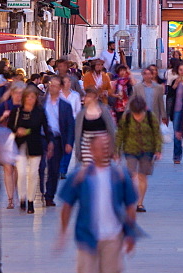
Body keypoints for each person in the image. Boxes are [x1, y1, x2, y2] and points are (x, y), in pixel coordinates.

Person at [58, 132, 139, 273]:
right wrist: (63, 232)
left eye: (107, 146)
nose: (103, 150)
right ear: (91, 151)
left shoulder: (120, 175)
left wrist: (130, 234)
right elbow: (66, 205)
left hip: (113, 237)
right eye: (99, 146)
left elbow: (131, 205)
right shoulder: (80, 175)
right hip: (87, 237)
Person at [115, 96, 163, 213]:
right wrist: (116, 151)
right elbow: (120, 134)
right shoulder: (126, 117)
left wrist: (158, 149)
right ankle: (131, 200)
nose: (137, 116)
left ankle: (140, 203)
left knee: (142, 176)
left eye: (139, 113)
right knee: (132, 175)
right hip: (130, 149)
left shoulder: (150, 117)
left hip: (147, 150)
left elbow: (157, 133)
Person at [8, 86, 51, 214]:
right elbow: (10, 126)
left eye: (33, 97)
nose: (30, 99)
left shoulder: (39, 112)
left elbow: (46, 128)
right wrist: (17, 131)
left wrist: (50, 142)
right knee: (21, 173)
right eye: (28, 97)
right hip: (20, 145)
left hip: (35, 144)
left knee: (33, 174)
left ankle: (31, 201)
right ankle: (22, 197)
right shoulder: (17, 112)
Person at [42, 76, 75, 207]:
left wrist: (69, 142)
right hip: (42, 137)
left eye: (55, 85)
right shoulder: (41, 102)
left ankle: (49, 196)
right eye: (50, 84)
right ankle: (39, 191)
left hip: (56, 139)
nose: (52, 87)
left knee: (53, 169)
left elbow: (70, 125)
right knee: (39, 168)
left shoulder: (65, 106)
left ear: (60, 88)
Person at [74, 87, 117, 165]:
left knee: (102, 170)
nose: (84, 98)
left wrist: (113, 149)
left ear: (94, 98)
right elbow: (78, 134)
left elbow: (111, 129)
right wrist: (78, 151)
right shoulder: (81, 114)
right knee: (89, 172)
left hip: (103, 147)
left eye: (87, 96)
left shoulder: (104, 111)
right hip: (86, 147)